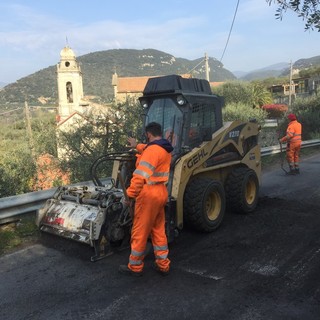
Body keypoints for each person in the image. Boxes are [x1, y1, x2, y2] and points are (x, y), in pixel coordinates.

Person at [119, 122, 174, 277]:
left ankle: (135, 267)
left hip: (148, 194)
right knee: (158, 230)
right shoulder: (164, 148)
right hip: (161, 192)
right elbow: (147, 148)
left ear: (148, 134)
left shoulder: (151, 151)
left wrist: (130, 195)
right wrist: (136, 145)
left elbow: (139, 177)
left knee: (139, 231)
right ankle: (163, 265)